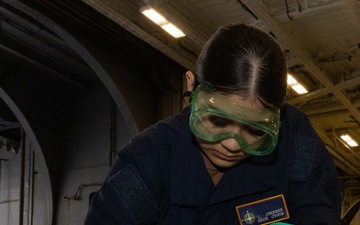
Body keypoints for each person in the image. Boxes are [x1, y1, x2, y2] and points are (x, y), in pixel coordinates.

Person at [84, 23, 341, 225]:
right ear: (191, 85)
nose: (231, 144)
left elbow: (318, 213)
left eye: (254, 130)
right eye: (217, 120)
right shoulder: (146, 162)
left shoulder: (295, 140)